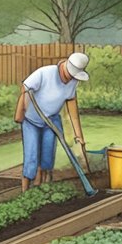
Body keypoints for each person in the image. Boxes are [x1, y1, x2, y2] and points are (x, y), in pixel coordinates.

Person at [14, 51, 89, 191]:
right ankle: (24, 192)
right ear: (65, 68)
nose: (71, 79)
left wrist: (79, 135)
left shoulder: (73, 81)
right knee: (31, 156)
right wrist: (20, 112)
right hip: (32, 120)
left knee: (47, 157)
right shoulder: (45, 73)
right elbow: (25, 88)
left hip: (52, 122)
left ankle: (41, 187)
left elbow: (72, 106)